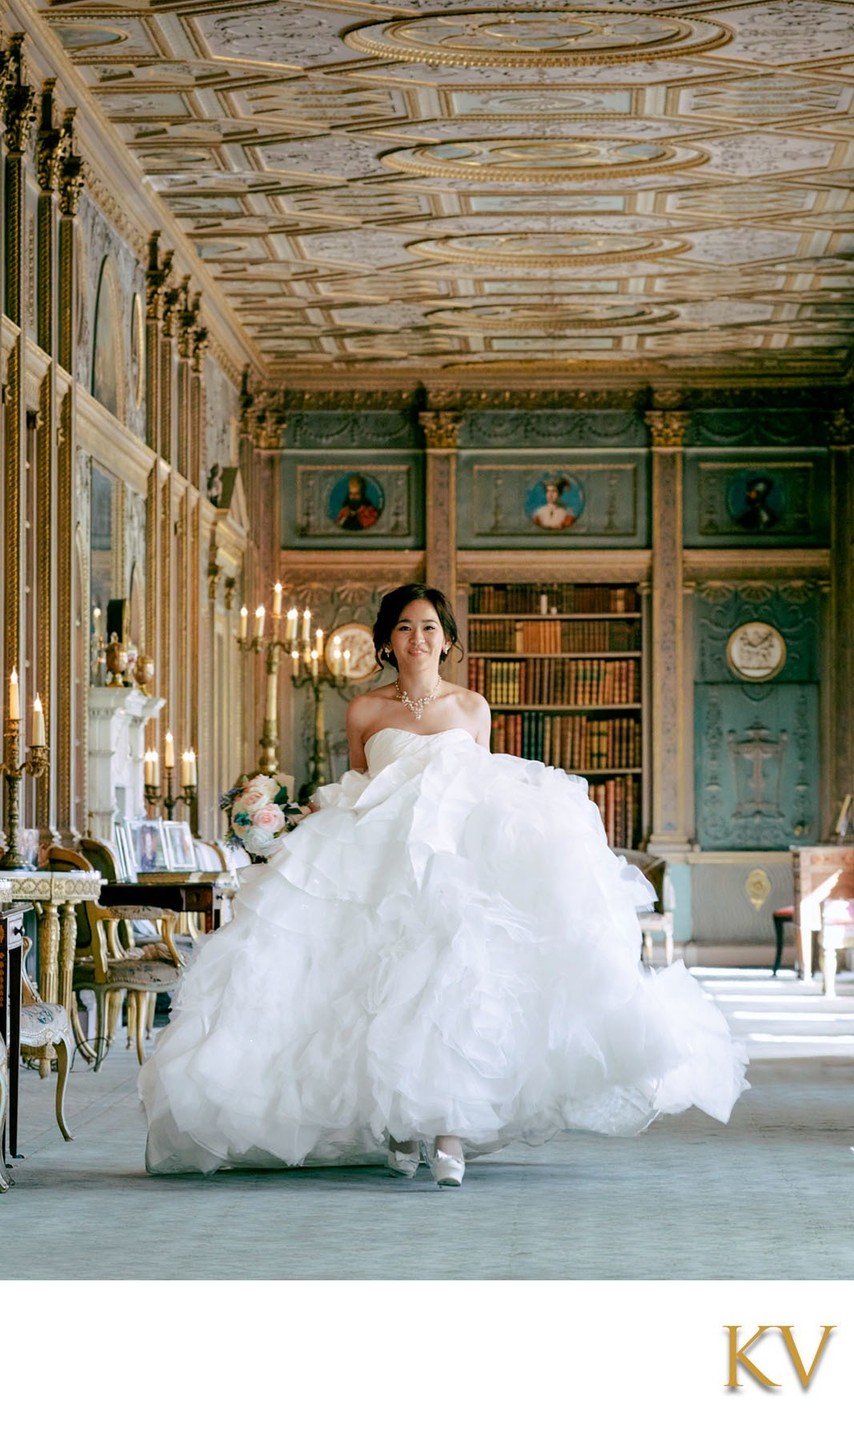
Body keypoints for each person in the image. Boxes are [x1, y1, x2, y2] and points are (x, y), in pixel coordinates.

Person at [139, 584, 747, 1185]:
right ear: (386, 640)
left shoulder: (471, 707)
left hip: (452, 861)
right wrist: (290, 818)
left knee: (451, 985)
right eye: (404, 626)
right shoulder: (364, 710)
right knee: (374, 984)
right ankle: (398, 1125)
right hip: (376, 861)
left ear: (448, 639)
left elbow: (477, 788)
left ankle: (447, 1129)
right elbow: (358, 786)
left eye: (429, 626)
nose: (417, 637)